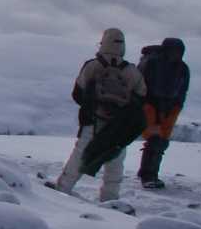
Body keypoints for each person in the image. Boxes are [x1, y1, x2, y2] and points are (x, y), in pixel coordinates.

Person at [53, 28, 147, 201]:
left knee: (80, 154)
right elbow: (141, 97)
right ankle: (109, 199)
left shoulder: (93, 65)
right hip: (118, 126)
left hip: (92, 120)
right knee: (114, 160)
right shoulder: (131, 71)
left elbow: (77, 93)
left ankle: (62, 189)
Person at [137, 37, 191, 190]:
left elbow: (182, 90)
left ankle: (151, 174)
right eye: (173, 51)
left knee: (162, 142)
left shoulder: (182, 68)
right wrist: (146, 104)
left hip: (170, 108)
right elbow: (141, 85)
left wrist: (177, 106)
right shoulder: (152, 62)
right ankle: (148, 176)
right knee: (154, 140)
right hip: (150, 106)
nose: (176, 54)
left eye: (179, 52)